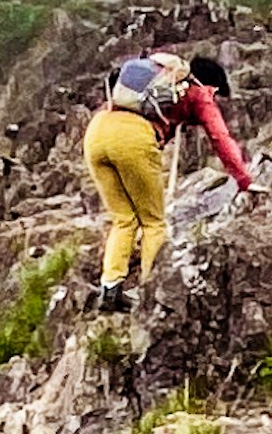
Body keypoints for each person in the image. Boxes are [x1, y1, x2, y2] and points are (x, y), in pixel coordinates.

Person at [84, 44, 254, 285]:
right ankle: (150, 288)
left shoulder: (155, 77)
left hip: (97, 131)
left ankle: (110, 285)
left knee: (124, 218)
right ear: (211, 86)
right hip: (133, 138)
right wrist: (244, 180)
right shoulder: (198, 92)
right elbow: (220, 138)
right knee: (154, 222)